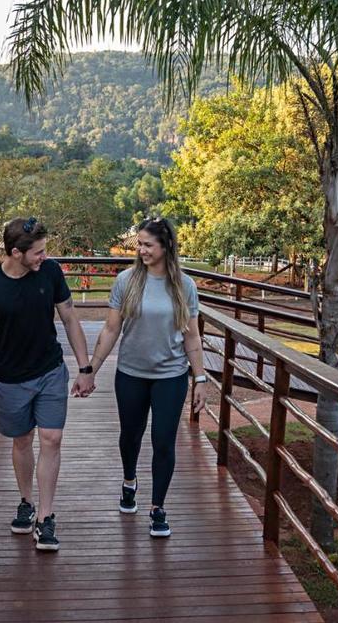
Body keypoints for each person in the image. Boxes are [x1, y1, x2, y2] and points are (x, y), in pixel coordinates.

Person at [0, 217, 95, 552]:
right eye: (37, 252)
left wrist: (85, 368)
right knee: (22, 441)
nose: (43, 257)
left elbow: (69, 318)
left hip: (50, 371)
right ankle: (26, 501)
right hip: (11, 379)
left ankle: (45, 517)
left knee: (51, 438)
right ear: (15, 253)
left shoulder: (50, 273)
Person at [87, 216, 207, 537]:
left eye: (148, 245)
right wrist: (91, 369)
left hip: (171, 376)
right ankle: (129, 481)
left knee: (163, 441)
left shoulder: (184, 286)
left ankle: (158, 508)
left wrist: (200, 379)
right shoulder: (126, 281)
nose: (141, 250)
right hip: (131, 374)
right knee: (130, 435)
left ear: (166, 246)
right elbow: (111, 329)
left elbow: (192, 337)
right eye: (139, 244)